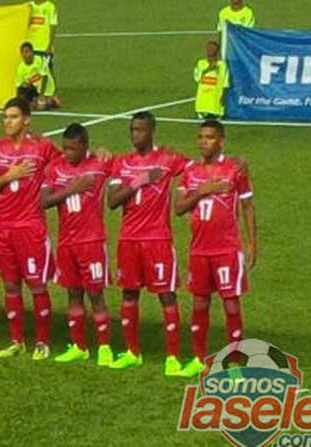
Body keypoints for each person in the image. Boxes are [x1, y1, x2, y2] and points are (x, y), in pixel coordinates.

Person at [107, 111, 189, 375]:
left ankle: (173, 357)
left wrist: (236, 162)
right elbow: (112, 201)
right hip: (129, 238)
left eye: (140, 130)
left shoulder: (167, 159)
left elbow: (197, 167)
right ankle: (132, 352)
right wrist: (139, 182)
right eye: (132, 130)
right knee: (129, 293)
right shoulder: (121, 162)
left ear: (152, 131)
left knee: (167, 295)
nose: (134, 135)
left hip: (157, 239)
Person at [175, 120, 256, 378]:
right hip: (199, 250)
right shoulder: (190, 172)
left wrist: (252, 242)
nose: (203, 142)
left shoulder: (235, 170)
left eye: (210, 137)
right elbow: (179, 208)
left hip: (226, 250)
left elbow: (247, 206)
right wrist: (201, 191)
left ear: (221, 140)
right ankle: (199, 358)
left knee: (231, 303)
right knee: (200, 302)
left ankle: (235, 362)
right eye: (200, 137)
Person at [0, 97, 58, 361]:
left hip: (31, 227)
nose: (7, 122)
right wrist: (9, 177)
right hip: (4, 228)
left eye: (13, 117)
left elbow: (69, 162)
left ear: (26, 119)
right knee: (11, 287)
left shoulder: (42, 148)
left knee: (37, 286)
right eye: (5, 117)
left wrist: (100, 152)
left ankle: (42, 342)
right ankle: (17, 340)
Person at [41, 123, 114, 366]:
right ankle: (78, 345)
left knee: (95, 294)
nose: (68, 153)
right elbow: (44, 201)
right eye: (65, 148)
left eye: (73, 149)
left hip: (91, 242)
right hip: (67, 242)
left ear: (84, 146)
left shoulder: (99, 165)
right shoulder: (55, 168)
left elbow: (127, 165)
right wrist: (73, 188)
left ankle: (104, 347)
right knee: (73, 293)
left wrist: (106, 151)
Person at [16, 42, 61, 110]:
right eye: (23, 53)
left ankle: (51, 99)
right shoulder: (20, 68)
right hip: (34, 88)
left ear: (32, 52)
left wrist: (41, 95)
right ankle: (36, 101)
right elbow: (19, 85)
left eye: (27, 52)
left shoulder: (39, 60)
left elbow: (45, 78)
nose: (25, 55)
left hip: (46, 88)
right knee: (25, 104)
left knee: (41, 107)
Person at [194, 41, 229, 120]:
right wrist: (208, 69)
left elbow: (225, 82)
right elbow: (197, 78)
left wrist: (223, 96)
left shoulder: (222, 65)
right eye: (208, 48)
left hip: (216, 105)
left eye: (212, 48)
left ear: (217, 51)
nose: (209, 50)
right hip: (202, 106)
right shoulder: (200, 63)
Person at [27, 0, 58, 70]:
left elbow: (53, 27)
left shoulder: (50, 6)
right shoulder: (28, 6)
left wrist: (49, 46)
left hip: (44, 47)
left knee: (47, 73)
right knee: (32, 73)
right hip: (31, 46)